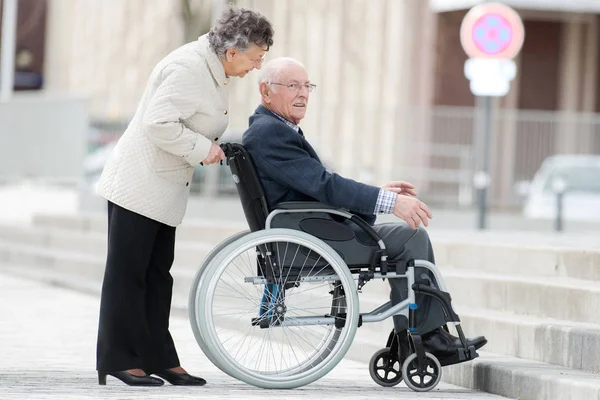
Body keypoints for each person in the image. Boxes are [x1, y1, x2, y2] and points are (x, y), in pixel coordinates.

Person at [242, 57, 487, 364]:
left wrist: (379, 194)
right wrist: (389, 202)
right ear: (265, 91)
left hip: (308, 229)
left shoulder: (271, 129)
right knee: (411, 237)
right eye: (293, 86)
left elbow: (317, 186)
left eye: (307, 86)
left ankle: (417, 337)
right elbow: (325, 185)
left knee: (406, 237)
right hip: (311, 237)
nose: (303, 93)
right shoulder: (270, 133)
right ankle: (425, 337)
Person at [95, 6, 274, 387]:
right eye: (256, 58)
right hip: (138, 185)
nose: (257, 66)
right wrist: (202, 148)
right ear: (232, 53)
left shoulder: (209, 68)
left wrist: (202, 146)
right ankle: (118, 359)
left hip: (161, 187)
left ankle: (158, 357)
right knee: (129, 275)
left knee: (157, 276)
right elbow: (157, 122)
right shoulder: (189, 68)